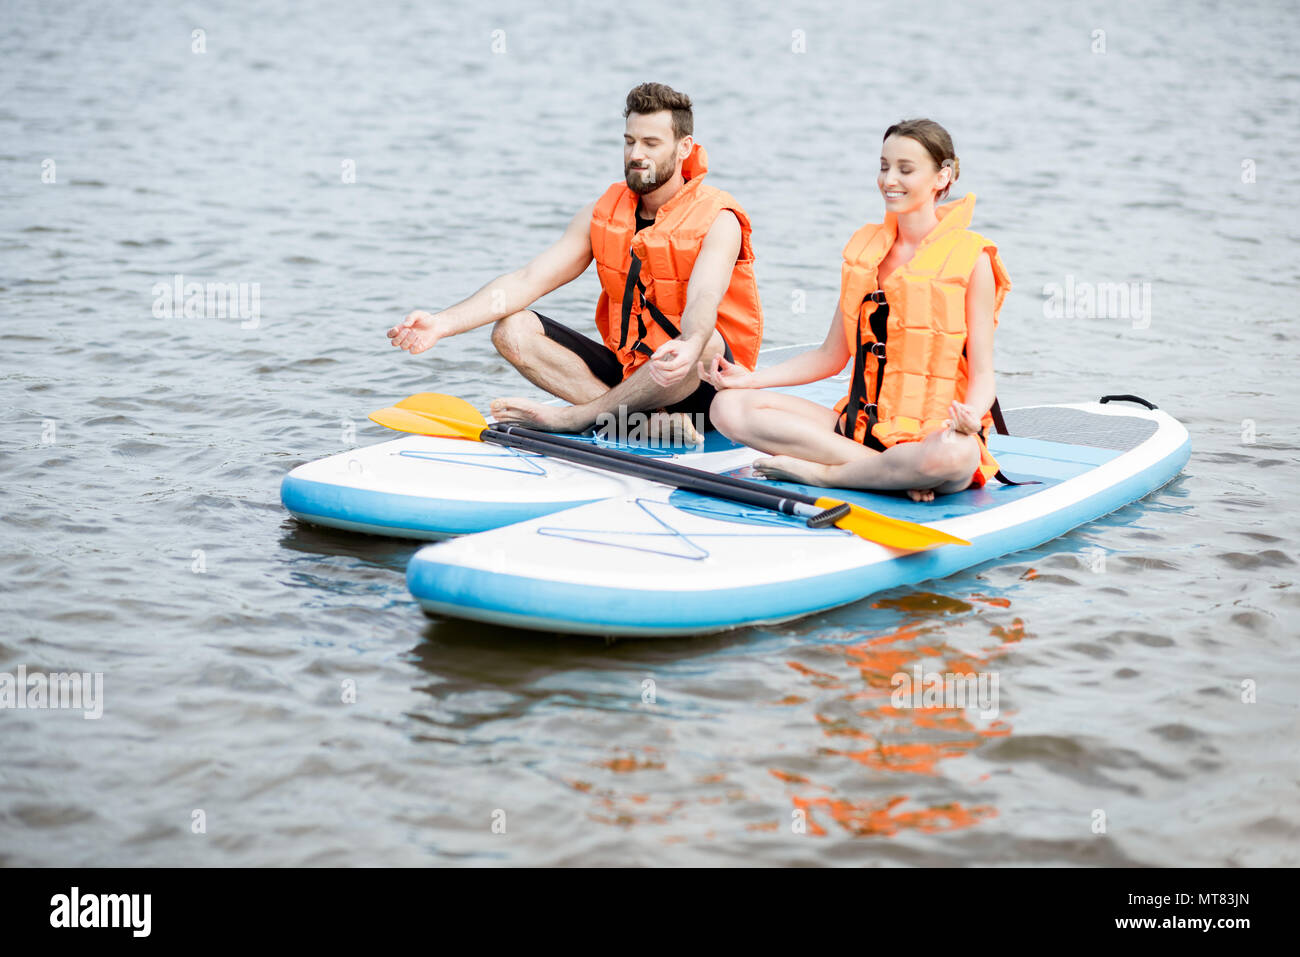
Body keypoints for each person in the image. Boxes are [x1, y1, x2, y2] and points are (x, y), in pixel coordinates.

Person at [387, 82, 764, 445]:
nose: (636, 154)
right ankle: (639, 425)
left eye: (651, 143)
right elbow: (526, 279)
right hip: (631, 380)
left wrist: (691, 342)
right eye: (630, 141)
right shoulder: (602, 213)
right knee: (512, 328)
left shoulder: (719, 219)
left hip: (701, 386)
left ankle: (578, 417)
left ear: (684, 148)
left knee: (705, 342)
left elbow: (704, 299)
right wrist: (441, 324)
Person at [701, 118, 1011, 502]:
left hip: (934, 439)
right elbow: (830, 356)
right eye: (884, 167)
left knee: (953, 455)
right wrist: (750, 379)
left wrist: (970, 414)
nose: (889, 180)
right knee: (727, 407)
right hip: (860, 431)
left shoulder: (973, 259)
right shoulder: (865, 253)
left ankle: (825, 476)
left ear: (942, 177)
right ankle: (887, 474)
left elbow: (983, 373)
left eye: (906, 169)